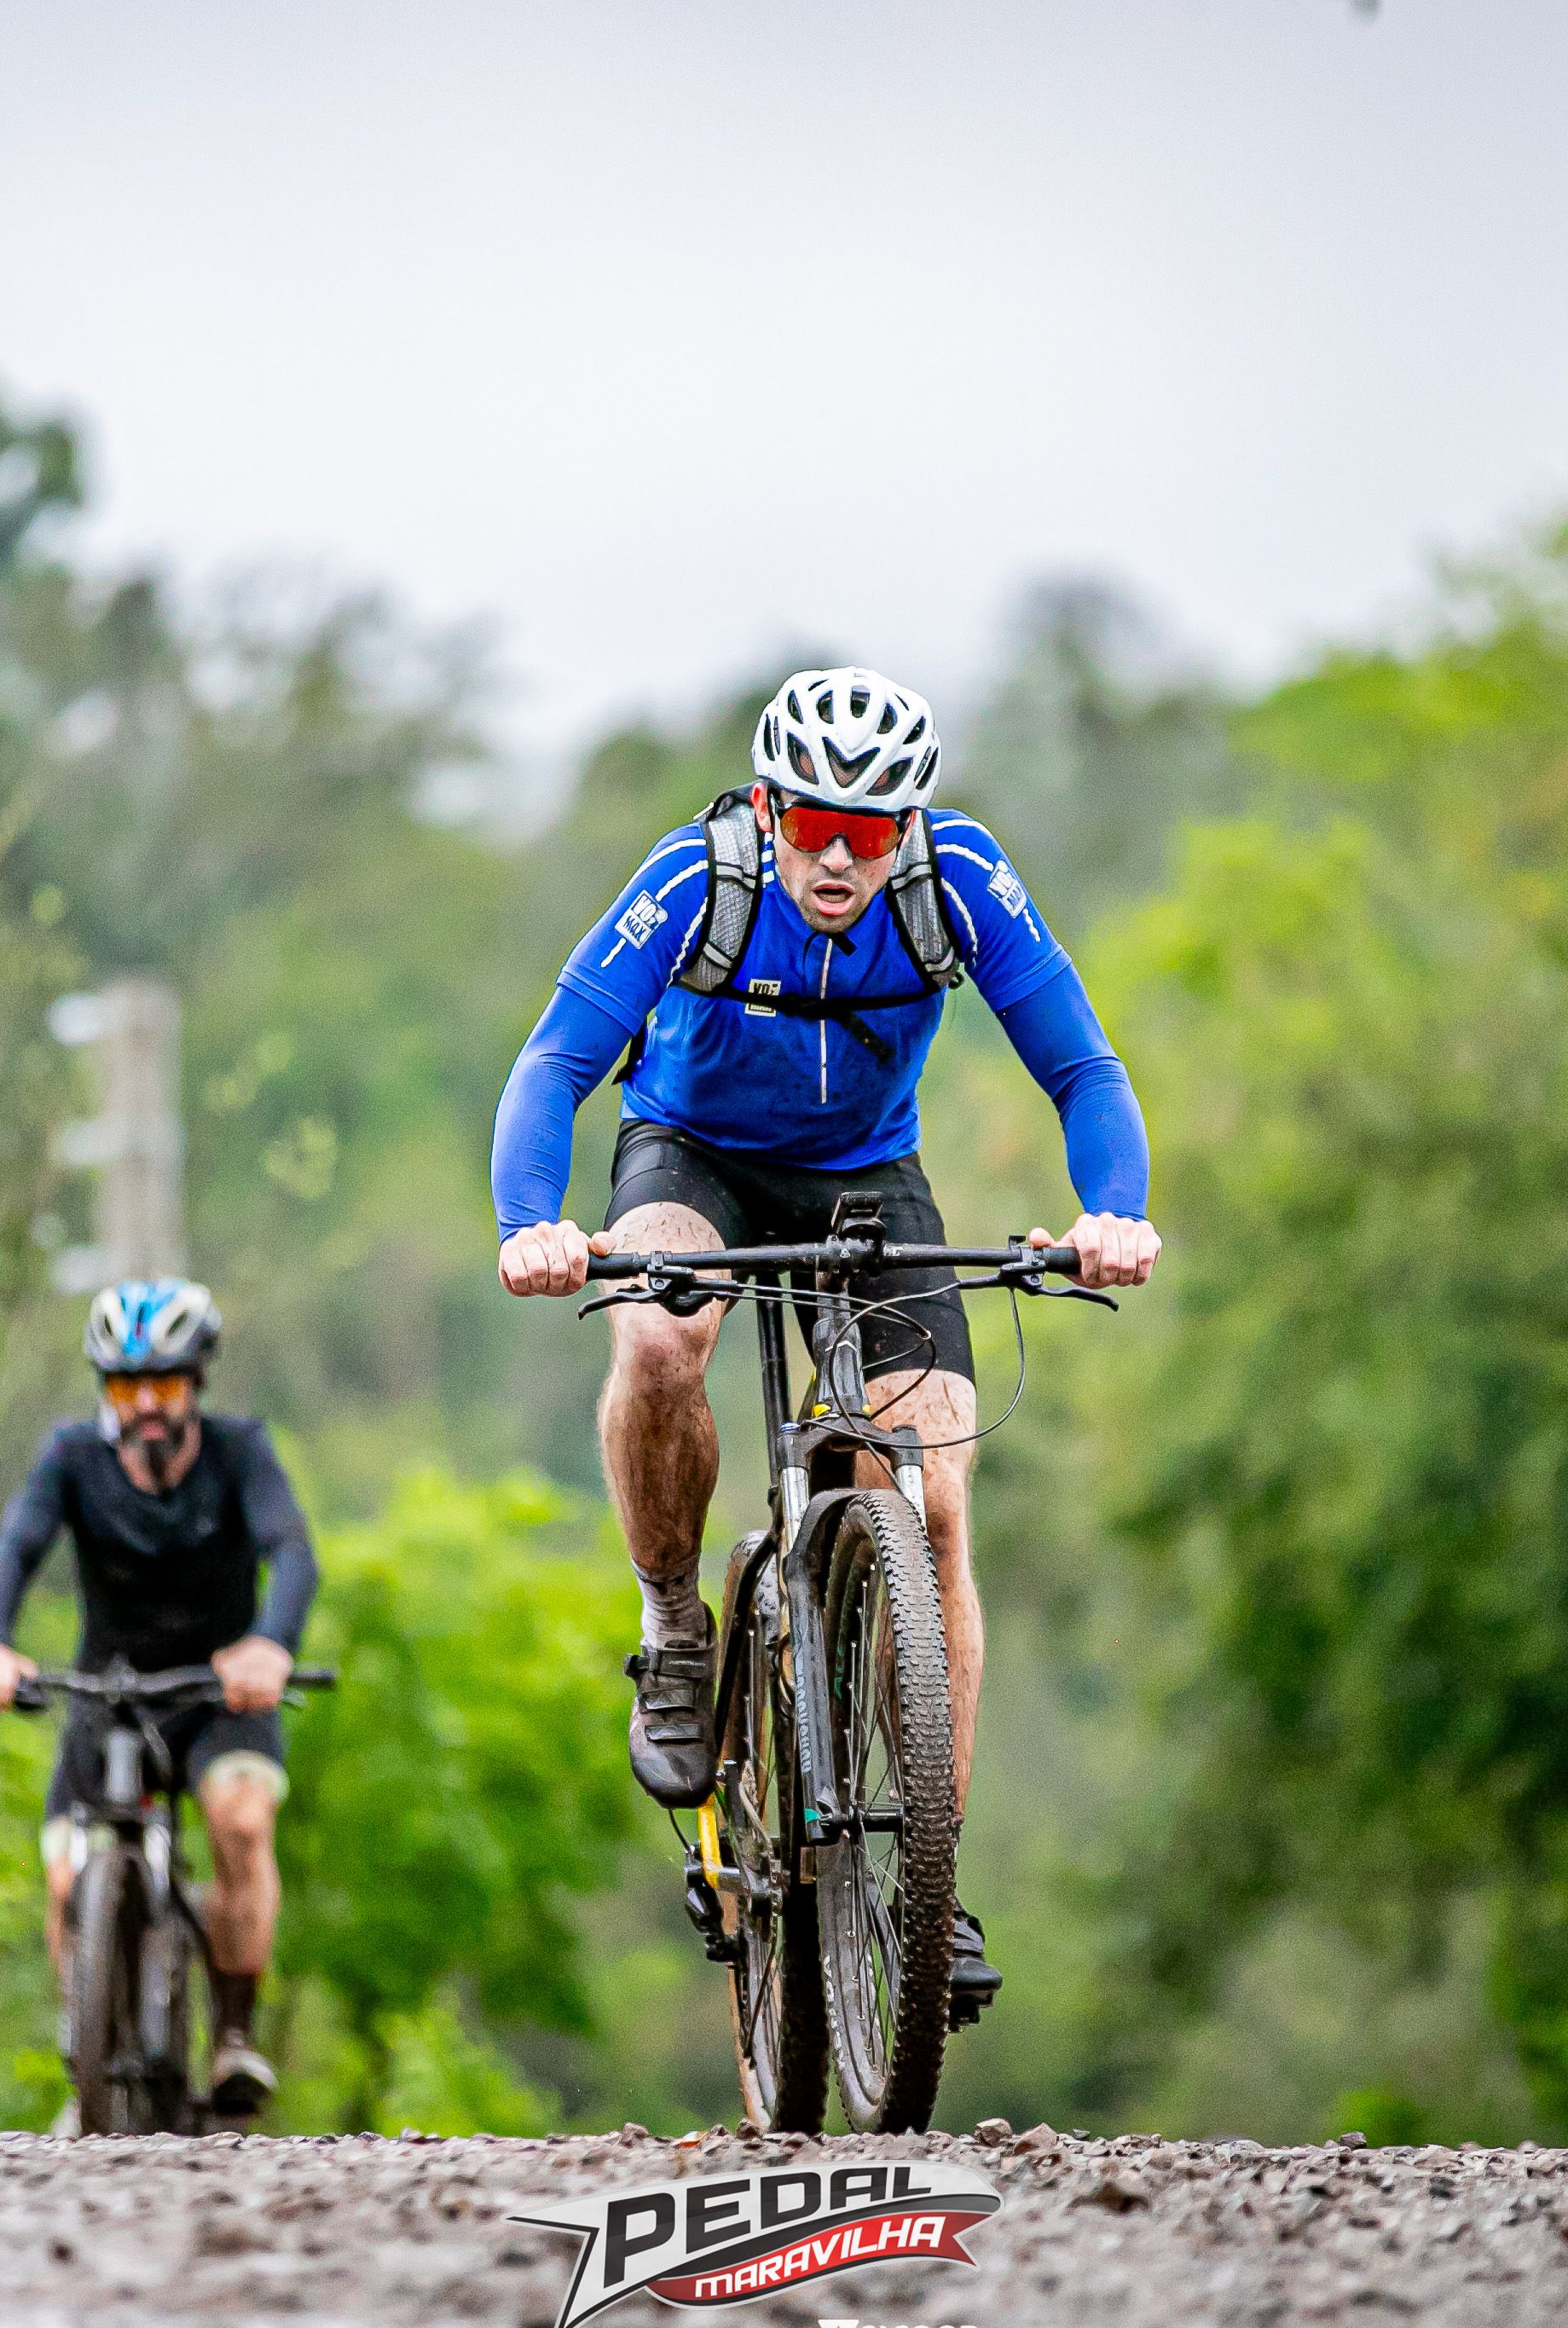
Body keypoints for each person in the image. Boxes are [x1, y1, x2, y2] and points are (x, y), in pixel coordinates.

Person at [488, 665, 1158, 2016]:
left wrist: (1113, 1212)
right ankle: (675, 1623)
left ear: (906, 828)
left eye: (867, 832)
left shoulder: (959, 883)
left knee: (938, 1498)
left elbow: (1084, 1067)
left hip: (867, 1178)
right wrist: (533, 1224)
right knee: (659, 1341)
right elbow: (555, 1061)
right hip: (693, 1155)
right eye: (811, 826)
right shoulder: (697, 883)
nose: (838, 860)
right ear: (766, 809)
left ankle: (928, 1878)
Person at [0, 1276, 315, 2118]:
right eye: (126, 1388)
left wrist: (270, 1645)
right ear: (105, 1391)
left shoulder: (240, 1452)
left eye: (164, 1385)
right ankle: (89, 2040)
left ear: (196, 1384)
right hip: (108, 1691)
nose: (146, 1405)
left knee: (240, 1821)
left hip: (222, 1692)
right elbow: (15, 1549)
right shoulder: (71, 1458)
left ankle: (233, 2034)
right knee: (63, 1875)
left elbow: (293, 1553)